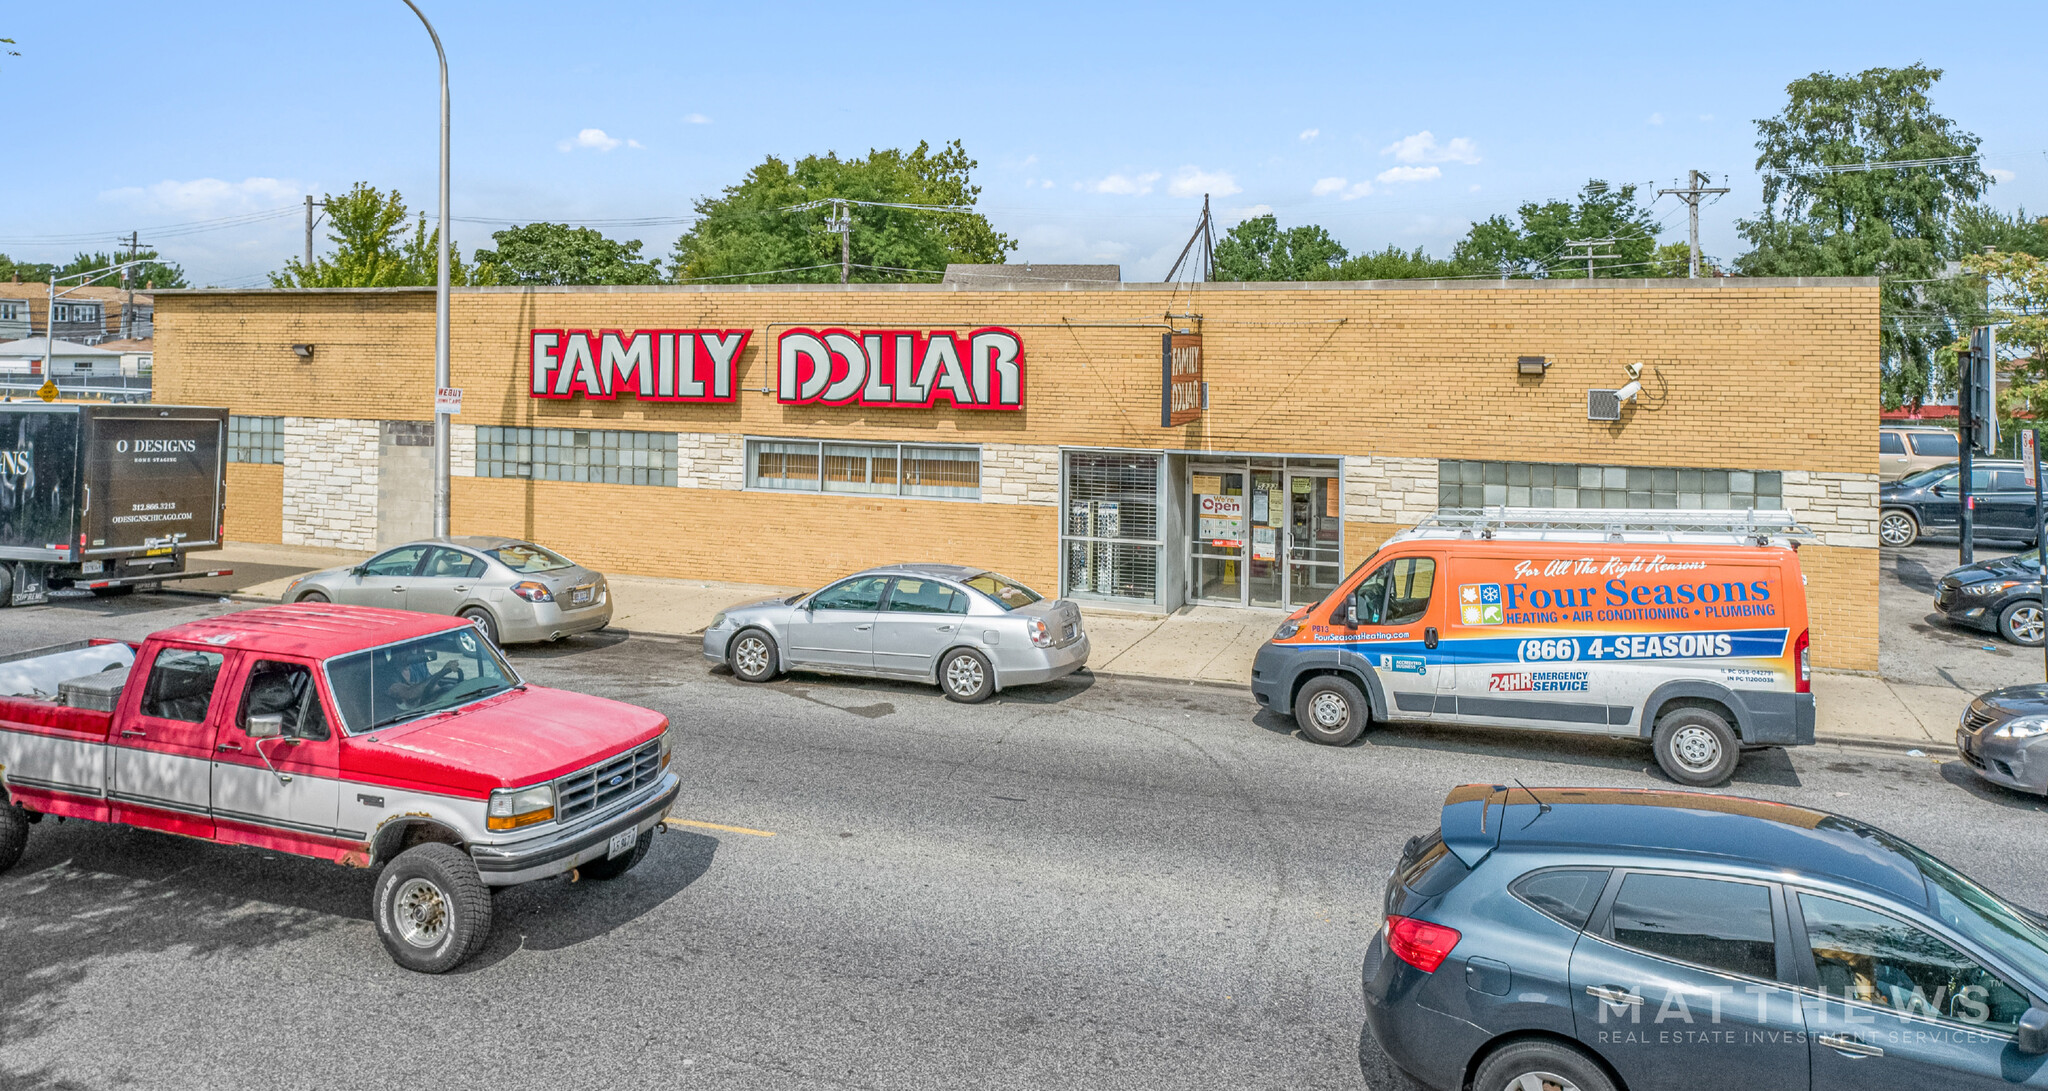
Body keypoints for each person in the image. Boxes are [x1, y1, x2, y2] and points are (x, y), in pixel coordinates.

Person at [384, 646, 458, 709]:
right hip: (408, 716)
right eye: (407, 648)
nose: (414, 650)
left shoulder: (417, 665)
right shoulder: (388, 673)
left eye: (416, 647)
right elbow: (409, 694)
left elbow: (432, 685)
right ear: (396, 651)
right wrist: (442, 672)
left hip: (430, 706)